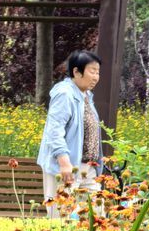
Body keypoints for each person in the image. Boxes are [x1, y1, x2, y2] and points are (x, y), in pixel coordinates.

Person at [37, 50, 103, 217]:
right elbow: (54, 130)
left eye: (98, 72)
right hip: (67, 168)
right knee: (61, 219)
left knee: (97, 216)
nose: (96, 77)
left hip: (89, 168)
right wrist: (64, 162)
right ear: (76, 71)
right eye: (92, 71)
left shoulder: (86, 95)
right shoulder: (65, 93)